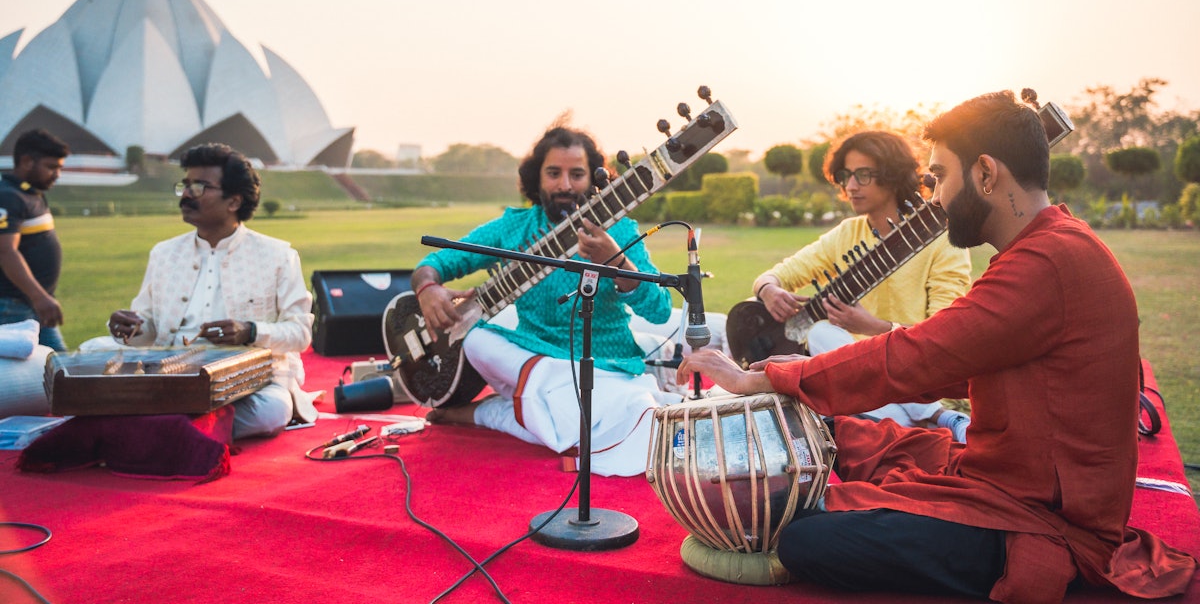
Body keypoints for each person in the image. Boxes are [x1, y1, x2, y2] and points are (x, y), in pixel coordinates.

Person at [679, 91, 1196, 603]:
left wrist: (765, 378)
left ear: (986, 174)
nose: (936, 197)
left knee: (806, 538)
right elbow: (950, 359)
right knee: (838, 432)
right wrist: (801, 378)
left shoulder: (1049, 263)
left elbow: (922, 354)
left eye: (941, 177)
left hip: (1036, 517)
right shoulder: (1047, 247)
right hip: (1002, 472)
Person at [412, 121, 677, 476]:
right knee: (475, 340)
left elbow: (659, 311)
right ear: (536, 178)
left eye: (577, 174)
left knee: (621, 410)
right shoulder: (512, 229)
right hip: (538, 358)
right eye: (554, 173)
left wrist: (616, 262)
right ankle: (537, 410)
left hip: (606, 368)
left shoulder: (618, 230)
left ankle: (492, 413)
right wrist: (428, 288)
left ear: (594, 177)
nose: (565, 185)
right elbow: (439, 260)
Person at [82, 143, 316, 439]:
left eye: (200, 186)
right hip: (169, 371)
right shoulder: (165, 253)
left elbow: (299, 334)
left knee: (271, 412)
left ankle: (157, 424)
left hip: (243, 380)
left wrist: (250, 331)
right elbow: (150, 327)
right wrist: (128, 327)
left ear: (233, 201)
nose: (187, 194)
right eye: (186, 184)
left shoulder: (278, 255)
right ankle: (183, 424)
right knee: (92, 350)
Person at [750, 131, 972, 438]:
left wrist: (875, 327)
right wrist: (768, 290)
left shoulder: (942, 240)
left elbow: (942, 339)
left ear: (893, 176)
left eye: (863, 175)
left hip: (917, 383)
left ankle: (929, 415)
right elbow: (774, 275)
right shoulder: (848, 232)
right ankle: (936, 421)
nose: (851, 186)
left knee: (830, 350)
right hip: (866, 389)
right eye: (845, 176)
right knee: (822, 335)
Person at [0, 128, 70, 352]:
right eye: (51, 167)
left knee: (59, 373)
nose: (57, 174)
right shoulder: (8, 196)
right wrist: (39, 297)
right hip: (13, 308)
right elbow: (5, 251)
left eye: (60, 167)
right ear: (27, 161)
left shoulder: (31, 193)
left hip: (34, 305)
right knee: (28, 378)